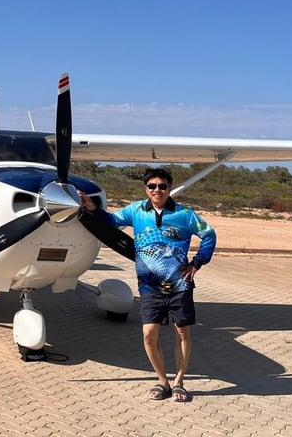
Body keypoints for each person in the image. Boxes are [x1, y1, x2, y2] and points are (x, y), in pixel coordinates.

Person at [79, 167, 216, 403]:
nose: (157, 190)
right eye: (152, 186)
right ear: (146, 189)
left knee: (182, 331)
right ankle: (162, 381)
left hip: (179, 285)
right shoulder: (136, 211)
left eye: (162, 186)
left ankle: (179, 382)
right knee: (149, 334)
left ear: (169, 188)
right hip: (149, 287)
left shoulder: (185, 214)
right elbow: (113, 220)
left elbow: (209, 234)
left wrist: (197, 263)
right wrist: (93, 209)